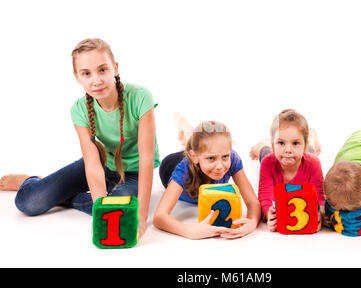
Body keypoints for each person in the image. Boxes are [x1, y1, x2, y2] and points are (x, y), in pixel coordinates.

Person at [0, 38, 160, 239]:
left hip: (133, 173)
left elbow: (146, 158)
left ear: (115, 68)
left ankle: (58, 192)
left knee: (120, 210)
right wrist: (100, 210)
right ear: (77, 77)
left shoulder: (140, 97)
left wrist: (142, 215)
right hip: (102, 166)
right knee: (28, 202)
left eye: (103, 70)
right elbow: (93, 165)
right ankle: (33, 182)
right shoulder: (79, 109)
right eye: (86, 73)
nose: (96, 80)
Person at [153, 120, 261, 240]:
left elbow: (252, 202)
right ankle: (187, 135)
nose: (220, 166)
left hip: (196, 154)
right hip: (170, 164)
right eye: (211, 158)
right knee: (189, 150)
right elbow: (159, 217)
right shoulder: (183, 171)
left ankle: (190, 138)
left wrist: (252, 223)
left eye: (225, 156)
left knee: (204, 147)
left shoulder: (233, 159)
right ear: (194, 157)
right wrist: (190, 231)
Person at [254, 109, 325, 232]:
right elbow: (265, 197)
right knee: (263, 152)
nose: (288, 149)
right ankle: (261, 145)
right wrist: (269, 214)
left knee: (312, 150)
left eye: (295, 143)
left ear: (304, 145)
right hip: (271, 155)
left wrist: (320, 215)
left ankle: (312, 138)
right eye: (281, 142)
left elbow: (319, 197)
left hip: (307, 156)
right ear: (273, 145)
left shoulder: (313, 164)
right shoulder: (268, 163)